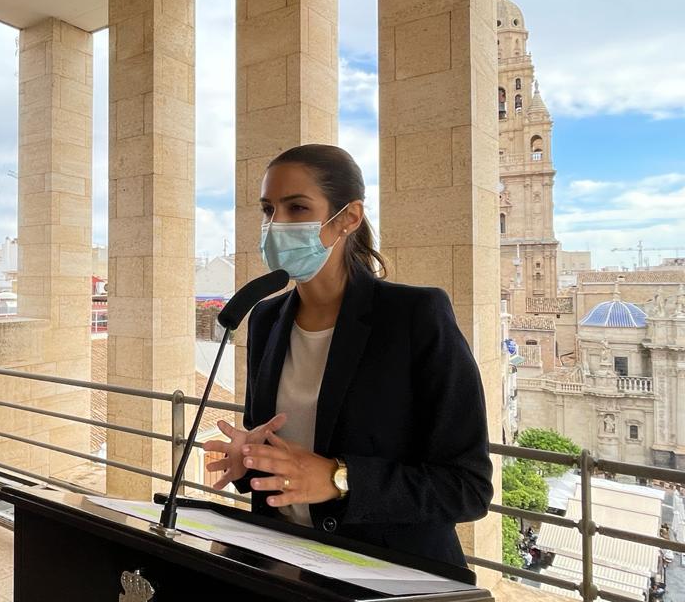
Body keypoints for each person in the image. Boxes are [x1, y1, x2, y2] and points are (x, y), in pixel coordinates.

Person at [202, 144, 493, 570]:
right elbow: (284, 458)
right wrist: (250, 457)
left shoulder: (415, 317)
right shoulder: (265, 318)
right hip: (283, 573)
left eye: (297, 207)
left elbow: (466, 488)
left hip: (387, 583)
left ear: (348, 218)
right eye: (268, 210)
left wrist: (338, 478)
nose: (276, 224)